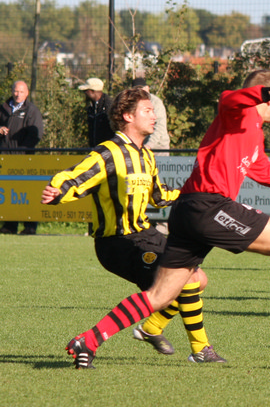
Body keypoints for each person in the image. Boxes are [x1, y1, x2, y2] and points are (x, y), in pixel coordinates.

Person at [61, 70, 270, 369]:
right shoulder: (237, 112)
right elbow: (229, 98)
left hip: (188, 211)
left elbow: (265, 172)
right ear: (265, 97)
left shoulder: (254, 133)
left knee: (160, 296)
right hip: (208, 205)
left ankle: (88, 340)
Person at [43, 87, 222, 363]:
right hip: (117, 242)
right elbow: (76, 177)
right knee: (181, 280)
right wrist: (58, 191)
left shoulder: (147, 156)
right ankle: (199, 349)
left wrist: (193, 195)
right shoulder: (108, 152)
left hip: (146, 234)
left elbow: (159, 196)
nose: (154, 116)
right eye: (147, 111)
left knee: (198, 279)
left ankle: (153, 328)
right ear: (128, 116)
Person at [0, 80, 44, 235]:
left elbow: (36, 134)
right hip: (5, 158)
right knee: (10, 192)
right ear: (12, 91)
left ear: (27, 93)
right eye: (15, 91)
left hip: (24, 159)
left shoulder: (32, 110)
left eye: (21, 92)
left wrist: (22, 153)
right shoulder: (3, 108)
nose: (18, 94)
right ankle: (10, 225)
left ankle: (30, 226)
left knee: (27, 193)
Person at [133, 77, 170, 153]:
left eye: (141, 88)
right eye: (136, 89)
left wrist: (149, 145)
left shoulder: (156, 102)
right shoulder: (133, 103)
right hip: (141, 146)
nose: (139, 91)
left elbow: (159, 127)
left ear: (147, 88)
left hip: (159, 147)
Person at [79, 77, 113, 147]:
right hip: (95, 149)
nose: (84, 93)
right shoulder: (91, 107)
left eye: (86, 91)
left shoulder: (109, 107)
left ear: (92, 91)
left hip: (107, 149)